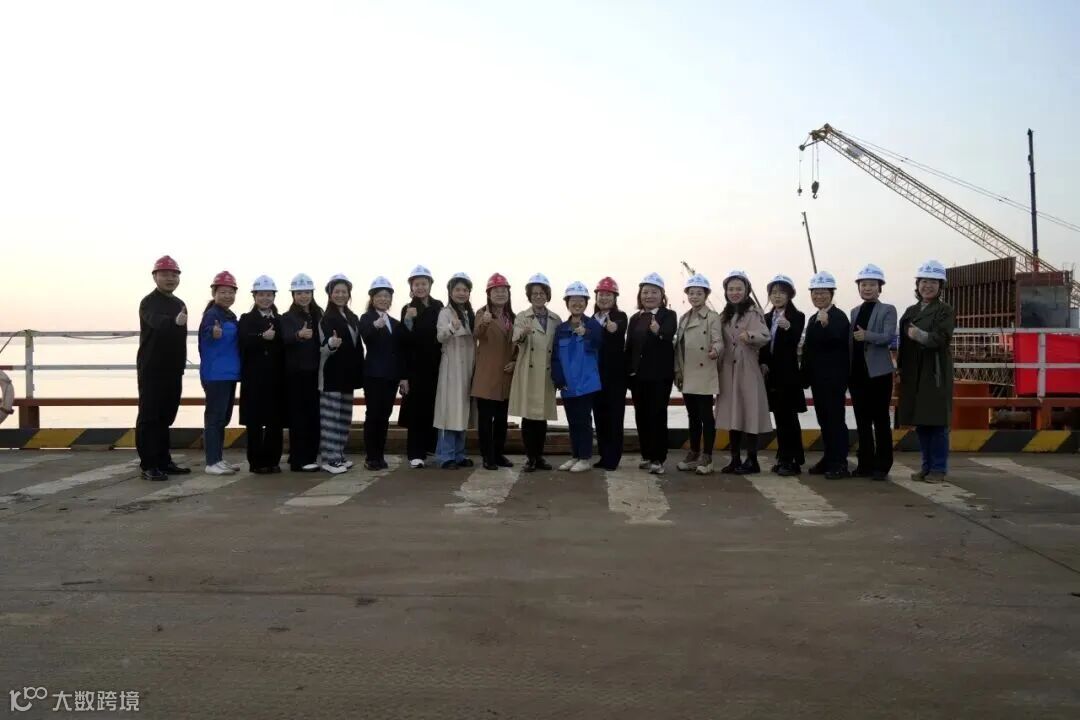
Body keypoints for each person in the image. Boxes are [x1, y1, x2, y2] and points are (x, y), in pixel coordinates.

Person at [897, 260, 955, 483]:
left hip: (934, 371)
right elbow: (903, 344)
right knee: (921, 422)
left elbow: (942, 338)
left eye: (933, 282)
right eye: (924, 282)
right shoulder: (911, 311)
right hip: (914, 372)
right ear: (918, 284)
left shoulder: (944, 310)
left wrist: (920, 336)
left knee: (937, 422)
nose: (927, 286)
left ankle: (938, 469)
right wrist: (900, 368)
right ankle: (926, 466)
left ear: (940, 286)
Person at [136, 255, 190, 481]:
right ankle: (148, 464)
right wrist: (173, 322)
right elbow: (155, 322)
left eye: (174, 275)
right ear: (155, 277)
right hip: (152, 367)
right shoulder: (148, 302)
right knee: (149, 416)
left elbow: (181, 338)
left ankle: (164, 461)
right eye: (165, 274)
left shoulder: (179, 303)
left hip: (173, 368)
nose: (170, 278)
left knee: (166, 415)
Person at [714, 270, 772, 474]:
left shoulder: (754, 313)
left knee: (749, 412)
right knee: (733, 414)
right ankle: (735, 459)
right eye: (731, 289)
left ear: (747, 290)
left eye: (739, 288)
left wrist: (751, 336)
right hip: (728, 370)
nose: (734, 292)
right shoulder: (724, 315)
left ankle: (752, 460)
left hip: (747, 368)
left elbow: (765, 335)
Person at [849, 264, 898, 481]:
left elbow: (888, 337)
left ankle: (883, 464)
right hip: (857, 374)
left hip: (879, 374)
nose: (867, 288)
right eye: (863, 285)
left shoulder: (888, 309)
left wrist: (867, 335)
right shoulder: (854, 311)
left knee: (880, 420)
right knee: (862, 421)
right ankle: (865, 463)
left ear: (880, 288)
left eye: (872, 284)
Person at [510, 273, 562, 472]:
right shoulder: (522, 316)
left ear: (547, 295)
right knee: (529, 416)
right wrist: (522, 334)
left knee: (542, 416)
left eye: (542, 293)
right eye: (534, 294)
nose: (538, 297)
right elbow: (516, 338)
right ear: (529, 296)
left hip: (547, 372)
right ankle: (530, 457)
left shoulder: (555, 319)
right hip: (528, 371)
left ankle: (539, 456)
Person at [625, 272, 677, 475]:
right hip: (637, 377)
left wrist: (658, 330)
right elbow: (629, 347)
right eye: (645, 292)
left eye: (654, 292)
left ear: (662, 294)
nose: (649, 296)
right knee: (642, 416)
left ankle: (658, 458)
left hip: (659, 376)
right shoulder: (635, 318)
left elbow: (669, 334)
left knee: (657, 415)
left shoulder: (668, 315)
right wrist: (628, 372)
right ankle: (647, 455)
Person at [801, 271, 851, 479]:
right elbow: (808, 349)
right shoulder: (813, 317)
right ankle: (829, 457)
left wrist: (826, 324)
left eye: (823, 293)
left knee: (835, 420)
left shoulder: (838, 317)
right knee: (824, 419)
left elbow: (839, 342)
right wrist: (804, 376)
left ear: (831, 294)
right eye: (815, 293)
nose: (819, 296)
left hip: (834, 378)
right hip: (817, 378)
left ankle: (840, 462)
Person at [551, 282, 603, 472]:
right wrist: (559, 379)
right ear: (567, 303)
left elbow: (600, 342)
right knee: (572, 422)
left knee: (583, 421)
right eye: (573, 300)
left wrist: (587, 333)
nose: (577, 304)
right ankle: (575, 455)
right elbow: (555, 356)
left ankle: (585, 458)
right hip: (568, 384)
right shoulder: (561, 328)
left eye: (581, 300)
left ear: (586, 303)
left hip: (586, 383)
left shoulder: (593, 324)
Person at [759, 274, 807, 476]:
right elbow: (764, 345)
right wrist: (763, 362)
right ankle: (783, 456)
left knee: (790, 419)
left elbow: (795, 340)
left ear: (790, 295)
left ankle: (794, 460)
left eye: (781, 292)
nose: (777, 296)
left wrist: (788, 327)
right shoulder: (766, 317)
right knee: (779, 418)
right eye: (773, 292)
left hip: (788, 376)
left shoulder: (797, 316)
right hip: (772, 376)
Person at [674, 274, 723, 474]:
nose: (694, 296)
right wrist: (677, 370)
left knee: (706, 417)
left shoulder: (712, 317)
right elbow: (679, 347)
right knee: (692, 416)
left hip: (703, 371)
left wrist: (716, 351)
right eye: (691, 293)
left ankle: (707, 456)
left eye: (699, 293)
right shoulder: (684, 318)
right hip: (687, 372)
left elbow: (718, 340)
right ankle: (694, 453)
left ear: (706, 295)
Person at [359, 276, 408, 470]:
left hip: (391, 377)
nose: (383, 299)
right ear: (372, 298)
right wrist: (374, 326)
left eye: (387, 296)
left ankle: (380, 455)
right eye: (379, 296)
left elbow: (401, 351)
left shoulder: (395, 323)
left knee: (385, 416)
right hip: (373, 375)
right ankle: (371, 457)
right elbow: (366, 337)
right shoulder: (366, 318)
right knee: (373, 415)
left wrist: (403, 377)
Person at [238, 275, 285, 474]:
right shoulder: (246, 319)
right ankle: (256, 462)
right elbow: (243, 342)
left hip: (276, 378)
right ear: (254, 296)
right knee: (254, 422)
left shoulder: (280, 320)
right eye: (261, 295)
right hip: (254, 378)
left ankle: (273, 460)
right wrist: (261, 337)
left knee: (275, 422)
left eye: (269, 295)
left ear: (274, 296)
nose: (265, 298)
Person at [318, 274, 365, 474]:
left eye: (344, 292)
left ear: (349, 294)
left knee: (344, 418)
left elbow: (358, 347)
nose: (340, 295)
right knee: (330, 419)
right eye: (336, 291)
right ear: (330, 294)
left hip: (348, 376)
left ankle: (339, 455)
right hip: (330, 375)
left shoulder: (352, 317)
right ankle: (329, 459)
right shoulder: (325, 319)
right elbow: (321, 348)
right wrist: (331, 344)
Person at [399, 265, 444, 469]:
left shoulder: (438, 306)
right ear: (411, 286)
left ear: (430, 285)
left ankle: (430, 448)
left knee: (433, 408)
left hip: (436, 365)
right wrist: (408, 320)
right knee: (416, 411)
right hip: (415, 367)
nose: (420, 287)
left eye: (424, 283)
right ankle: (415, 453)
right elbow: (404, 341)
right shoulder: (407, 308)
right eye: (416, 284)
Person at [471, 273, 516, 471]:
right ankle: (487, 456)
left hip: (506, 375)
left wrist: (515, 361)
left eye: (504, 290)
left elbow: (517, 345)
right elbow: (477, 334)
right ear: (489, 294)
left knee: (501, 420)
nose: (500, 294)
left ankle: (498, 454)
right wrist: (485, 322)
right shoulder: (482, 313)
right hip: (487, 375)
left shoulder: (512, 317)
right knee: (485, 419)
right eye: (496, 291)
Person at [199, 271, 241, 476]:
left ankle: (218, 458)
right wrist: (212, 333)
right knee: (215, 418)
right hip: (216, 375)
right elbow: (207, 332)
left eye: (231, 292)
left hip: (230, 374)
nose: (227, 296)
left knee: (223, 418)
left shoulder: (229, 315)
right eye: (223, 292)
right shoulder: (212, 315)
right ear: (214, 293)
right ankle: (211, 462)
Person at [280, 273, 322, 472]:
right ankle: (299, 460)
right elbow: (284, 338)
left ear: (312, 293)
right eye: (299, 293)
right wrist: (298, 335)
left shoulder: (318, 314)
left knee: (313, 416)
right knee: (299, 417)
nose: (303, 296)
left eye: (306, 292)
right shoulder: (287, 317)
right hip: (296, 374)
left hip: (315, 373)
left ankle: (309, 456)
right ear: (293, 295)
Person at [434, 272, 476, 469]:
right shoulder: (445, 313)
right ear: (450, 292)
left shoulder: (469, 313)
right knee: (449, 411)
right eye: (457, 289)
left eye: (465, 290)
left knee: (462, 411)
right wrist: (451, 327)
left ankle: (459, 454)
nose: (461, 293)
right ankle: (446, 456)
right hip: (451, 369)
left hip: (467, 369)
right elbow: (440, 336)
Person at [591, 277, 628, 470]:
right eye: (601, 295)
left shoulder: (620, 316)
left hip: (615, 377)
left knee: (614, 417)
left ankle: (613, 458)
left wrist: (614, 327)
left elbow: (619, 327)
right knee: (600, 417)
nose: (604, 298)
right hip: (595, 376)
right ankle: (603, 455)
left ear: (615, 298)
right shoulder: (591, 319)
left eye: (608, 295)